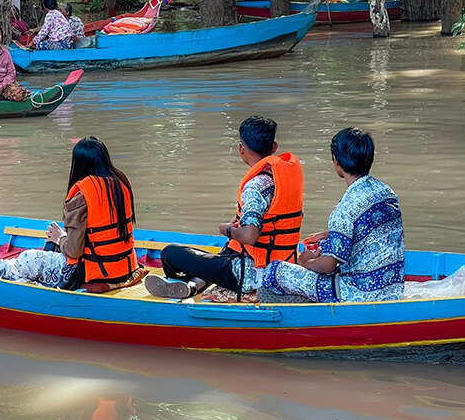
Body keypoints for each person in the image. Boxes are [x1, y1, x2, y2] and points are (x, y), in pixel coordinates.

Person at [145, 116, 304, 300]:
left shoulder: (255, 186)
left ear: (241, 148)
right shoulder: (282, 179)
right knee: (220, 255)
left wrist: (227, 230)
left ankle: (189, 283)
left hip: (250, 274)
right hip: (282, 265)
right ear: (274, 147)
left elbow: (250, 236)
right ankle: (193, 284)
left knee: (170, 254)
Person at [260, 128, 405, 303]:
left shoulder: (344, 208)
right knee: (322, 244)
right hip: (393, 288)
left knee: (274, 270)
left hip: (358, 294)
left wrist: (304, 264)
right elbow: (366, 228)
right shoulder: (387, 192)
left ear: (336, 161)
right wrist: (327, 235)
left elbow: (327, 266)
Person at [0, 137, 143, 291]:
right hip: (125, 267)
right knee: (52, 245)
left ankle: (1, 270)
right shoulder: (121, 184)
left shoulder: (82, 196)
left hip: (89, 273)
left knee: (26, 258)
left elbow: (74, 251)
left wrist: (61, 238)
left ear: (79, 164)